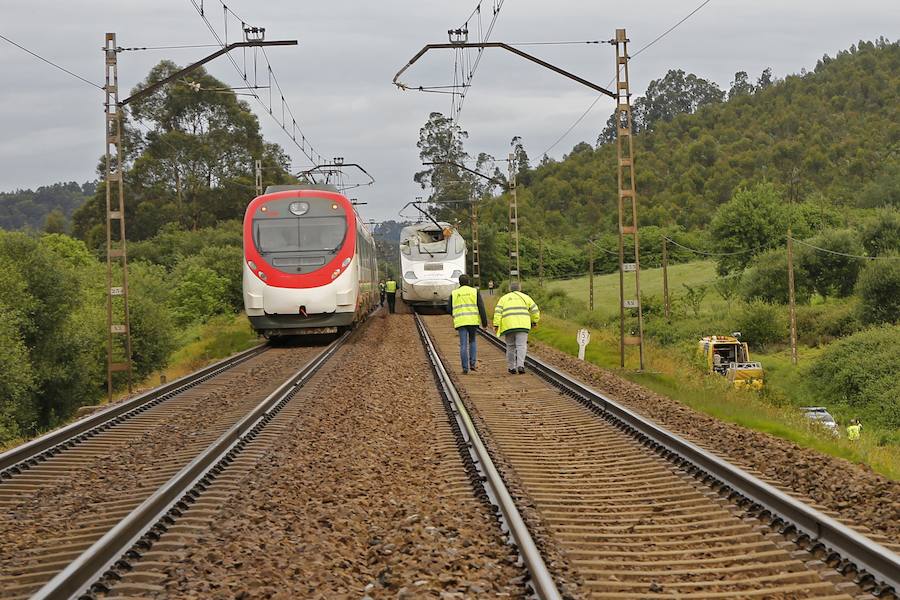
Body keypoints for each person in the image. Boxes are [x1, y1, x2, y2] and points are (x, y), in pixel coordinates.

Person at [493, 282, 540, 374]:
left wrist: (496, 324)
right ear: (520, 289)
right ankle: (520, 366)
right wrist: (535, 321)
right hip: (523, 325)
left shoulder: (504, 298)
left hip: (508, 326)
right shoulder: (526, 297)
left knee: (510, 346)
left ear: (510, 289)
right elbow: (535, 310)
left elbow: (498, 312)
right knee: (521, 346)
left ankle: (511, 367)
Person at [448, 274, 488, 374]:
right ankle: (473, 364)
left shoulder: (454, 293)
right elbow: (481, 307)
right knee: (472, 341)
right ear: (468, 282)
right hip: (472, 321)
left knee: (463, 344)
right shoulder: (474, 292)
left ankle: (465, 368)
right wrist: (484, 323)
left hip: (461, 321)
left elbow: (449, 309)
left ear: (459, 282)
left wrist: (455, 314)